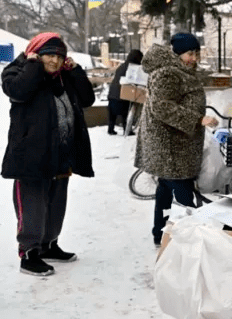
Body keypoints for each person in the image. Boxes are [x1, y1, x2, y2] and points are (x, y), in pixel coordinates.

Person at [2, 32, 95, 276]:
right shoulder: (17, 71)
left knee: (56, 203)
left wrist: (75, 71)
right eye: (48, 55)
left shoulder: (64, 77)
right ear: (35, 53)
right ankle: (29, 252)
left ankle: (49, 244)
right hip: (31, 155)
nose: (54, 61)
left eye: (59, 56)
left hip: (61, 152)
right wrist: (32, 64)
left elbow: (87, 99)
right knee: (33, 203)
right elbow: (18, 92)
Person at [134, 33, 218, 246]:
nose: (194, 58)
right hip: (171, 146)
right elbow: (162, 106)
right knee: (183, 192)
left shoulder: (177, 71)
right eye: (190, 53)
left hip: (176, 143)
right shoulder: (168, 73)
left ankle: (160, 232)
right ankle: (189, 238)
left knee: (165, 188)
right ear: (178, 53)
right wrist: (198, 119)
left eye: (196, 53)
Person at [106, 48, 144, 135]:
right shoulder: (133, 67)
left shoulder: (122, 65)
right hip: (122, 93)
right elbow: (135, 80)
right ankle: (127, 130)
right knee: (125, 113)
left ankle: (110, 129)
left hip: (112, 93)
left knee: (112, 114)